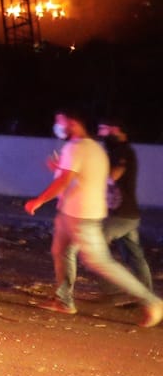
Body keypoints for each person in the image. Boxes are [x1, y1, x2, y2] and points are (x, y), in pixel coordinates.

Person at [23, 110, 163, 325]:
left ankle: (151, 301)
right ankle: (64, 301)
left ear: (73, 123)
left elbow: (64, 181)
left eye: (60, 121)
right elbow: (77, 178)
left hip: (80, 215)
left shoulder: (75, 147)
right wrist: (59, 170)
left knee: (99, 261)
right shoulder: (96, 148)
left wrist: (39, 200)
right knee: (61, 252)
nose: (58, 126)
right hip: (75, 212)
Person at [98, 119, 152, 295]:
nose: (104, 133)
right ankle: (146, 295)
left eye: (108, 129)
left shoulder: (123, 151)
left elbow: (114, 174)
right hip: (127, 214)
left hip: (121, 214)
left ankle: (112, 291)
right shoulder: (118, 150)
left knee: (97, 247)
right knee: (135, 257)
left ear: (122, 132)